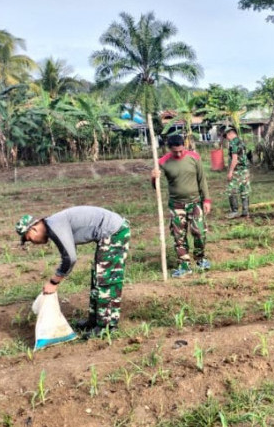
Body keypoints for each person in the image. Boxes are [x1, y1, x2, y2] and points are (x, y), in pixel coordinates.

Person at [15, 206, 130, 338]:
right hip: (108, 233)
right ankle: (94, 321)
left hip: (114, 231)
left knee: (106, 279)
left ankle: (107, 327)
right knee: (98, 277)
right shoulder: (53, 224)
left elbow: (70, 258)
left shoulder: (54, 225)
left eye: (29, 239)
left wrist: (53, 282)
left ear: (34, 228)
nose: (33, 243)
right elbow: (69, 254)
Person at [151, 133, 212, 278]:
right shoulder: (162, 162)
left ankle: (200, 258)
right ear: (169, 149)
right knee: (179, 236)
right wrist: (154, 177)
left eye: (181, 150)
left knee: (200, 232)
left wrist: (207, 200)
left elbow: (202, 180)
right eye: (175, 151)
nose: (178, 153)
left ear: (184, 146)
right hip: (176, 205)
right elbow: (156, 187)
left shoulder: (194, 157)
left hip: (195, 202)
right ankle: (184, 265)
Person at [224, 126, 251, 219]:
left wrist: (230, 172)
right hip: (245, 170)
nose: (226, 138)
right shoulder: (241, 142)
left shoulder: (233, 143)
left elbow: (234, 159)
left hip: (237, 170)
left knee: (231, 190)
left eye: (226, 135)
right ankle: (245, 211)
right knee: (245, 190)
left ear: (230, 133)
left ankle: (234, 211)